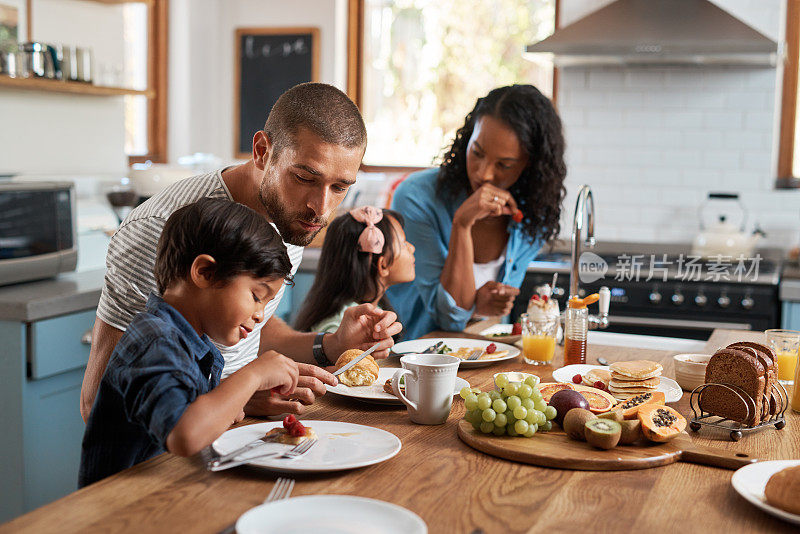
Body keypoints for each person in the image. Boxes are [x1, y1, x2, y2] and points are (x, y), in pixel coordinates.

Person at [80, 83, 403, 422]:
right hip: (163, 462)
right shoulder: (159, 230)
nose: (320, 209)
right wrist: (240, 396)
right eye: (305, 178)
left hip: (238, 440)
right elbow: (100, 401)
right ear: (262, 150)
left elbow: (243, 332)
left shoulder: (293, 221)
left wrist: (332, 345)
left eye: (339, 187)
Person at [79, 198, 301, 487]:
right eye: (257, 296)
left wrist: (228, 404)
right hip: (120, 511)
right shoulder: (154, 342)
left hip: (166, 494)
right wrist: (253, 374)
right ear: (205, 272)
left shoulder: (193, 342)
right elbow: (185, 435)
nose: (260, 315)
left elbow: (198, 417)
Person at [386, 84, 566, 340]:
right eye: (477, 153)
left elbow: (495, 310)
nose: (484, 174)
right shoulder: (416, 196)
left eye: (504, 164)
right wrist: (462, 224)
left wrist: (477, 306)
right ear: (467, 139)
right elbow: (447, 317)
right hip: (413, 360)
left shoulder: (531, 215)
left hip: (484, 358)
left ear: (530, 166)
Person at [294, 206, 415, 335]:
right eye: (403, 244)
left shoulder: (375, 308)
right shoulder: (337, 329)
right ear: (383, 264)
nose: (411, 248)